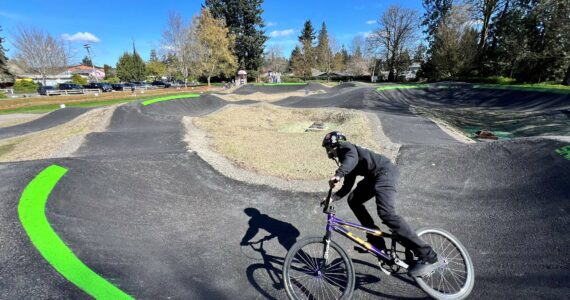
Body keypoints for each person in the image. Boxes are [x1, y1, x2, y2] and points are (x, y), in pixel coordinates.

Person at [322, 131, 438, 277]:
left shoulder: (346, 147)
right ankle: (376, 241)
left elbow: (350, 159)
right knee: (353, 200)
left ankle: (428, 255)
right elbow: (348, 184)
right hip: (374, 177)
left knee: (386, 214)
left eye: (328, 148)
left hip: (385, 173)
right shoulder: (347, 160)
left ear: (335, 144)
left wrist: (338, 174)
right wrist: (332, 198)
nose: (328, 152)